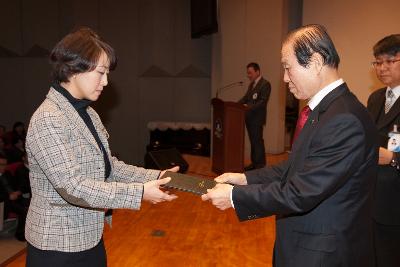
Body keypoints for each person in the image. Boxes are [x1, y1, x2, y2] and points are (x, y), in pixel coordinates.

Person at [202, 24, 378, 266]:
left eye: (287, 67)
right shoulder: (326, 111)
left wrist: (235, 197)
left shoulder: (343, 119)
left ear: (315, 62)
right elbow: (294, 167)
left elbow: (301, 192)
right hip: (305, 246)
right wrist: (245, 179)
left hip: (322, 254)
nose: (284, 78)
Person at [24, 27, 178, 267]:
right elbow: (72, 187)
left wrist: (158, 175)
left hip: (90, 238)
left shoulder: (89, 113)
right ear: (75, 69)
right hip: (58, 247)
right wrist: (139, 193)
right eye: (101, 72)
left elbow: (108, 167)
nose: (106, 82)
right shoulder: (48, 118)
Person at [367, 34, 400, 267]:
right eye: (378, 62)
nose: (382, 68)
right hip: (372, 195)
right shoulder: (375, 98)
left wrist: (393, 157)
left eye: (390, 61)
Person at [238, 63, 271, 171]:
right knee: (253, 142)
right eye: (248, 73)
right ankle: (254, 163)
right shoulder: (252, 85)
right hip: (249, 118)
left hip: (257, 118)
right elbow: (245, 98)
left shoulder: (265, 84)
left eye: (250, 73)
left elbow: (262, 102)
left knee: (257, 142)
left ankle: (260, 165)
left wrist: (248, 107)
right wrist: (236, 105)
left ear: (258, 72)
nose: (249, 75)